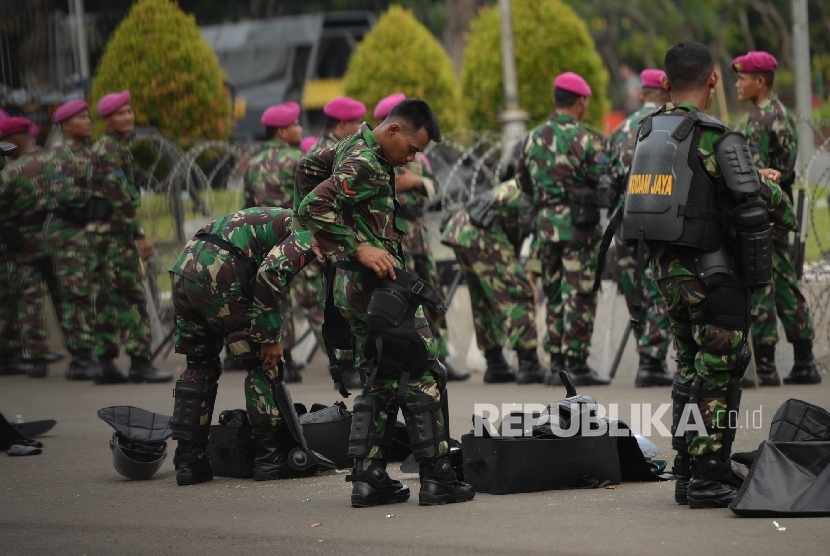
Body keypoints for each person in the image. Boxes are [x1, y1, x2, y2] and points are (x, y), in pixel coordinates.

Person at [616, 41, 795, 508]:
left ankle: (687, 467)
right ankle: (710, 475)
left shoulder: (650, 131)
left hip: (668, 275)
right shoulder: (716, 135)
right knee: (720, 371)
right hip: (712, 274)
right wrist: (773, 189)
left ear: (667, 83)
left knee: (690, 368)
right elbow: (757, 200)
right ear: (713, 80)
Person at [297, 98, 475, 507]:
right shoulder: (364, 161)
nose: (411, 158)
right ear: (393, 129)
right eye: (411, 148)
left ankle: (368, 476)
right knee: (425, 368)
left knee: (379, 374)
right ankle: (437, 476)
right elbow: (311, 206)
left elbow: (305, 170)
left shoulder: (350, 145)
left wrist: (336, 248)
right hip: (375, 287)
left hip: (353, 288)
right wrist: (356, 246)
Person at [168, 207, 321, 485]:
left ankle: (190, 461)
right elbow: (269, 275)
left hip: (185, 267)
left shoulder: (284, 219)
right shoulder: (309, 232)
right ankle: (270, 457)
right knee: (264, 363)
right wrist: (269, 338)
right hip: (220, 272)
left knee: (200, 365)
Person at [733, 51, 821, 386]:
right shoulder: (782, 114)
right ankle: (804, 360)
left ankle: (766, 367)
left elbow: (754, 176)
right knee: (784, 282)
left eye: (742, 78)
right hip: (779, 211)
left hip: (763, 215)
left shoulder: (759, 120)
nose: (738, 84)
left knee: (761, 286)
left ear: (760, 81)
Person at [517, 72, 610, 386]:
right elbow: (602, 180)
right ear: (581, 101)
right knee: (580, 292)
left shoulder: (531, 137)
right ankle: (577, 363)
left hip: (545, 228)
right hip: (578, 228)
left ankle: (556, 362)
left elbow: (522, 183)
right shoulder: (585, 140)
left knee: (554, 292)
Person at [374, 93, 469, 382]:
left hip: (418, 235)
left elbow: (434, 185)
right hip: (393, 237)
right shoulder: (377, 157)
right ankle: (408, 360)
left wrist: (415, 182)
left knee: (433, 293)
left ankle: (439, 353)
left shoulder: (418, 159)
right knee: (401, 301)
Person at [86, 91, 172, 384]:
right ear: (107, 119)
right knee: (130, 297)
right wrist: (139, 234)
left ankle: (106, 363)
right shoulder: (109, 150)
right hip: (115, 236)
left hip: (105, 235)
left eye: (130, 112)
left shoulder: (111, 147)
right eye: (121, 113)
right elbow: (120, 197)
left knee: (106, 298)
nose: (128, 117)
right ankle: (138, 362)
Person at [605, 69, 675, 387]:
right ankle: (653, 360)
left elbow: (606, 174)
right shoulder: (671, 125)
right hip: (660, 216)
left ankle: (643, 350)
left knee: (634, 289)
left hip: (624, 220)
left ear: (641, 94)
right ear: (668, 92)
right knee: (659, 284)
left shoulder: (621, 129)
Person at [441, 178, 543, 384]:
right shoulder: (543, 187)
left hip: (461, 230)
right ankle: (528, 363)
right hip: (481, 231)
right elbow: (538, 233)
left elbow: (517, 233)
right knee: (518, 292)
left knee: (484, 300)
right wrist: (530, 279)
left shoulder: (529, 181)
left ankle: (495, 363)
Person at [241, 102, 308, 380]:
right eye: (295, 124)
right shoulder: (298, 159)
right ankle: (290, 360)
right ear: (282, 131)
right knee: (292, 297)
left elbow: (245, 206)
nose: (300, 129)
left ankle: (280, 357)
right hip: (292, 233)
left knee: (269, 295)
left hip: (260, 236)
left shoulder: (253, 163)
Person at [42, 100, 97, 380]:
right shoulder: (58, 155)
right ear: (65, 125)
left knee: (88, 292)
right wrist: (97, 199)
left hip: (85, 231)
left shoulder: (88, 152)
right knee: (75, 295)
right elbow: (64, 195)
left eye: (88, 116)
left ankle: (89, 351)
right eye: (81, 118)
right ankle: (79, 358)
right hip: (67, 231)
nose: (88, 121)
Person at [0, 117, 59, 378]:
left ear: (13, 141)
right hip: (55, 236)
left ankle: (37, 358)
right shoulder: (54, 161)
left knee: (30, 300)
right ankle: (84, 355)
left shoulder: (11, 171)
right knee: (65, 298)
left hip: (22, 243)